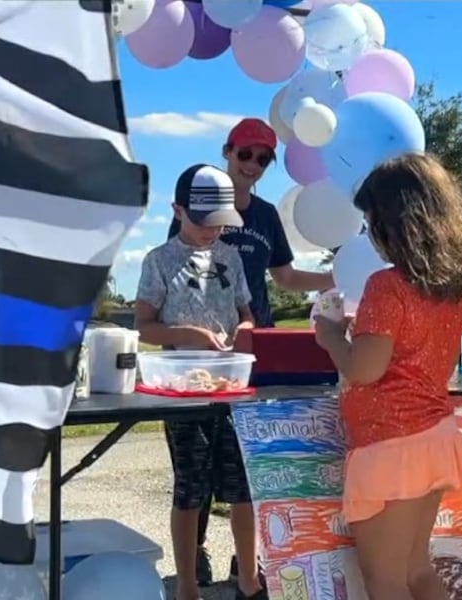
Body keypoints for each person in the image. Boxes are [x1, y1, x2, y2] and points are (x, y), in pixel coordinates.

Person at [167, 117, 333, 587]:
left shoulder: (264, 217)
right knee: (193, 466)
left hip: (254, 355)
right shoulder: (197, 206)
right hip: (197, 360)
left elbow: (285, 277)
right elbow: (175, 272)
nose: (253, 165)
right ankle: (193, 561)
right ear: (227, 151)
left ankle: (249, 564)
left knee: (249, 464)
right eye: (245, 155)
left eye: (263, 159)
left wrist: (337, 278)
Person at [313, 154, 462, 600]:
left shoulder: (386, 287)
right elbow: (408, 351)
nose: (371, 237)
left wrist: (331, 337)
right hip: (435, 437)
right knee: (417, 571)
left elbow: (365, 368)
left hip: (390, 448)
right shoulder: (448, 288)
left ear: (392, 223)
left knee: (385, 581)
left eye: (370, 224)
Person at [135, 164, 267, 600]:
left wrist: (246, 330)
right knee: (191, 488)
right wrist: (185, 336)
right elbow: (144, 326)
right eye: (202, 222)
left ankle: (248, 578)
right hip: (182, 390)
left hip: (230, 387)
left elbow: (246, 312)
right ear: (177, 210)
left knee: (242, 486)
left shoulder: (230, 257)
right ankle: (188, 586)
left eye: (219, 224)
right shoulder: (159, 261)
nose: (212, 232)